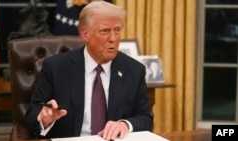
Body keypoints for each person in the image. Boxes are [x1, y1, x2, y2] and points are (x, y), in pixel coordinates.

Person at [25, 1, 152, 140]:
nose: (113, 39)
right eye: (105, 31)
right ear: (85, 35)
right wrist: (44, 120)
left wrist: (125, 124)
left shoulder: (134, 70)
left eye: (117, 30)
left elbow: (145, 118)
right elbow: (32, 115)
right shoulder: (56, 67)